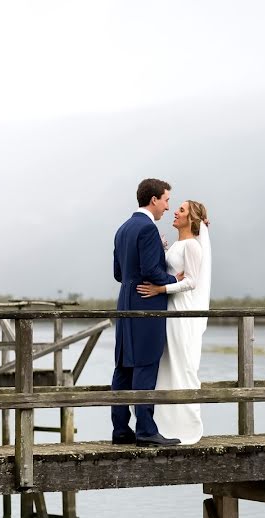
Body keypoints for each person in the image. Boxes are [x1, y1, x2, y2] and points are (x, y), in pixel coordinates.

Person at [111, 178, 182, 447]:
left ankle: (120, 429)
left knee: (123, 365)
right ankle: (146, 430)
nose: (167, 206)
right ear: (153, 199)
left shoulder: (123, 229)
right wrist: (176, 281)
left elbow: (118, 273)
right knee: (145, 363)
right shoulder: (148, 229)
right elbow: (153, 272)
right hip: (146, 302)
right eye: (166, 200)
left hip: (125, 302)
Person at [137, 200, 211, 445]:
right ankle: (165, 423)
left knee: (183, 362)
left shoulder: (191, 246)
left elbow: (191, 282)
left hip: (181, 310)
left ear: (191, 219)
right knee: (167, 362)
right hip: (169, 309)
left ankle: (188, 423)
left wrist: (161, 288)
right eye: (176, 207)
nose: (175, 212)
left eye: (181, 210)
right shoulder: (179, 244)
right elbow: (173, 271)